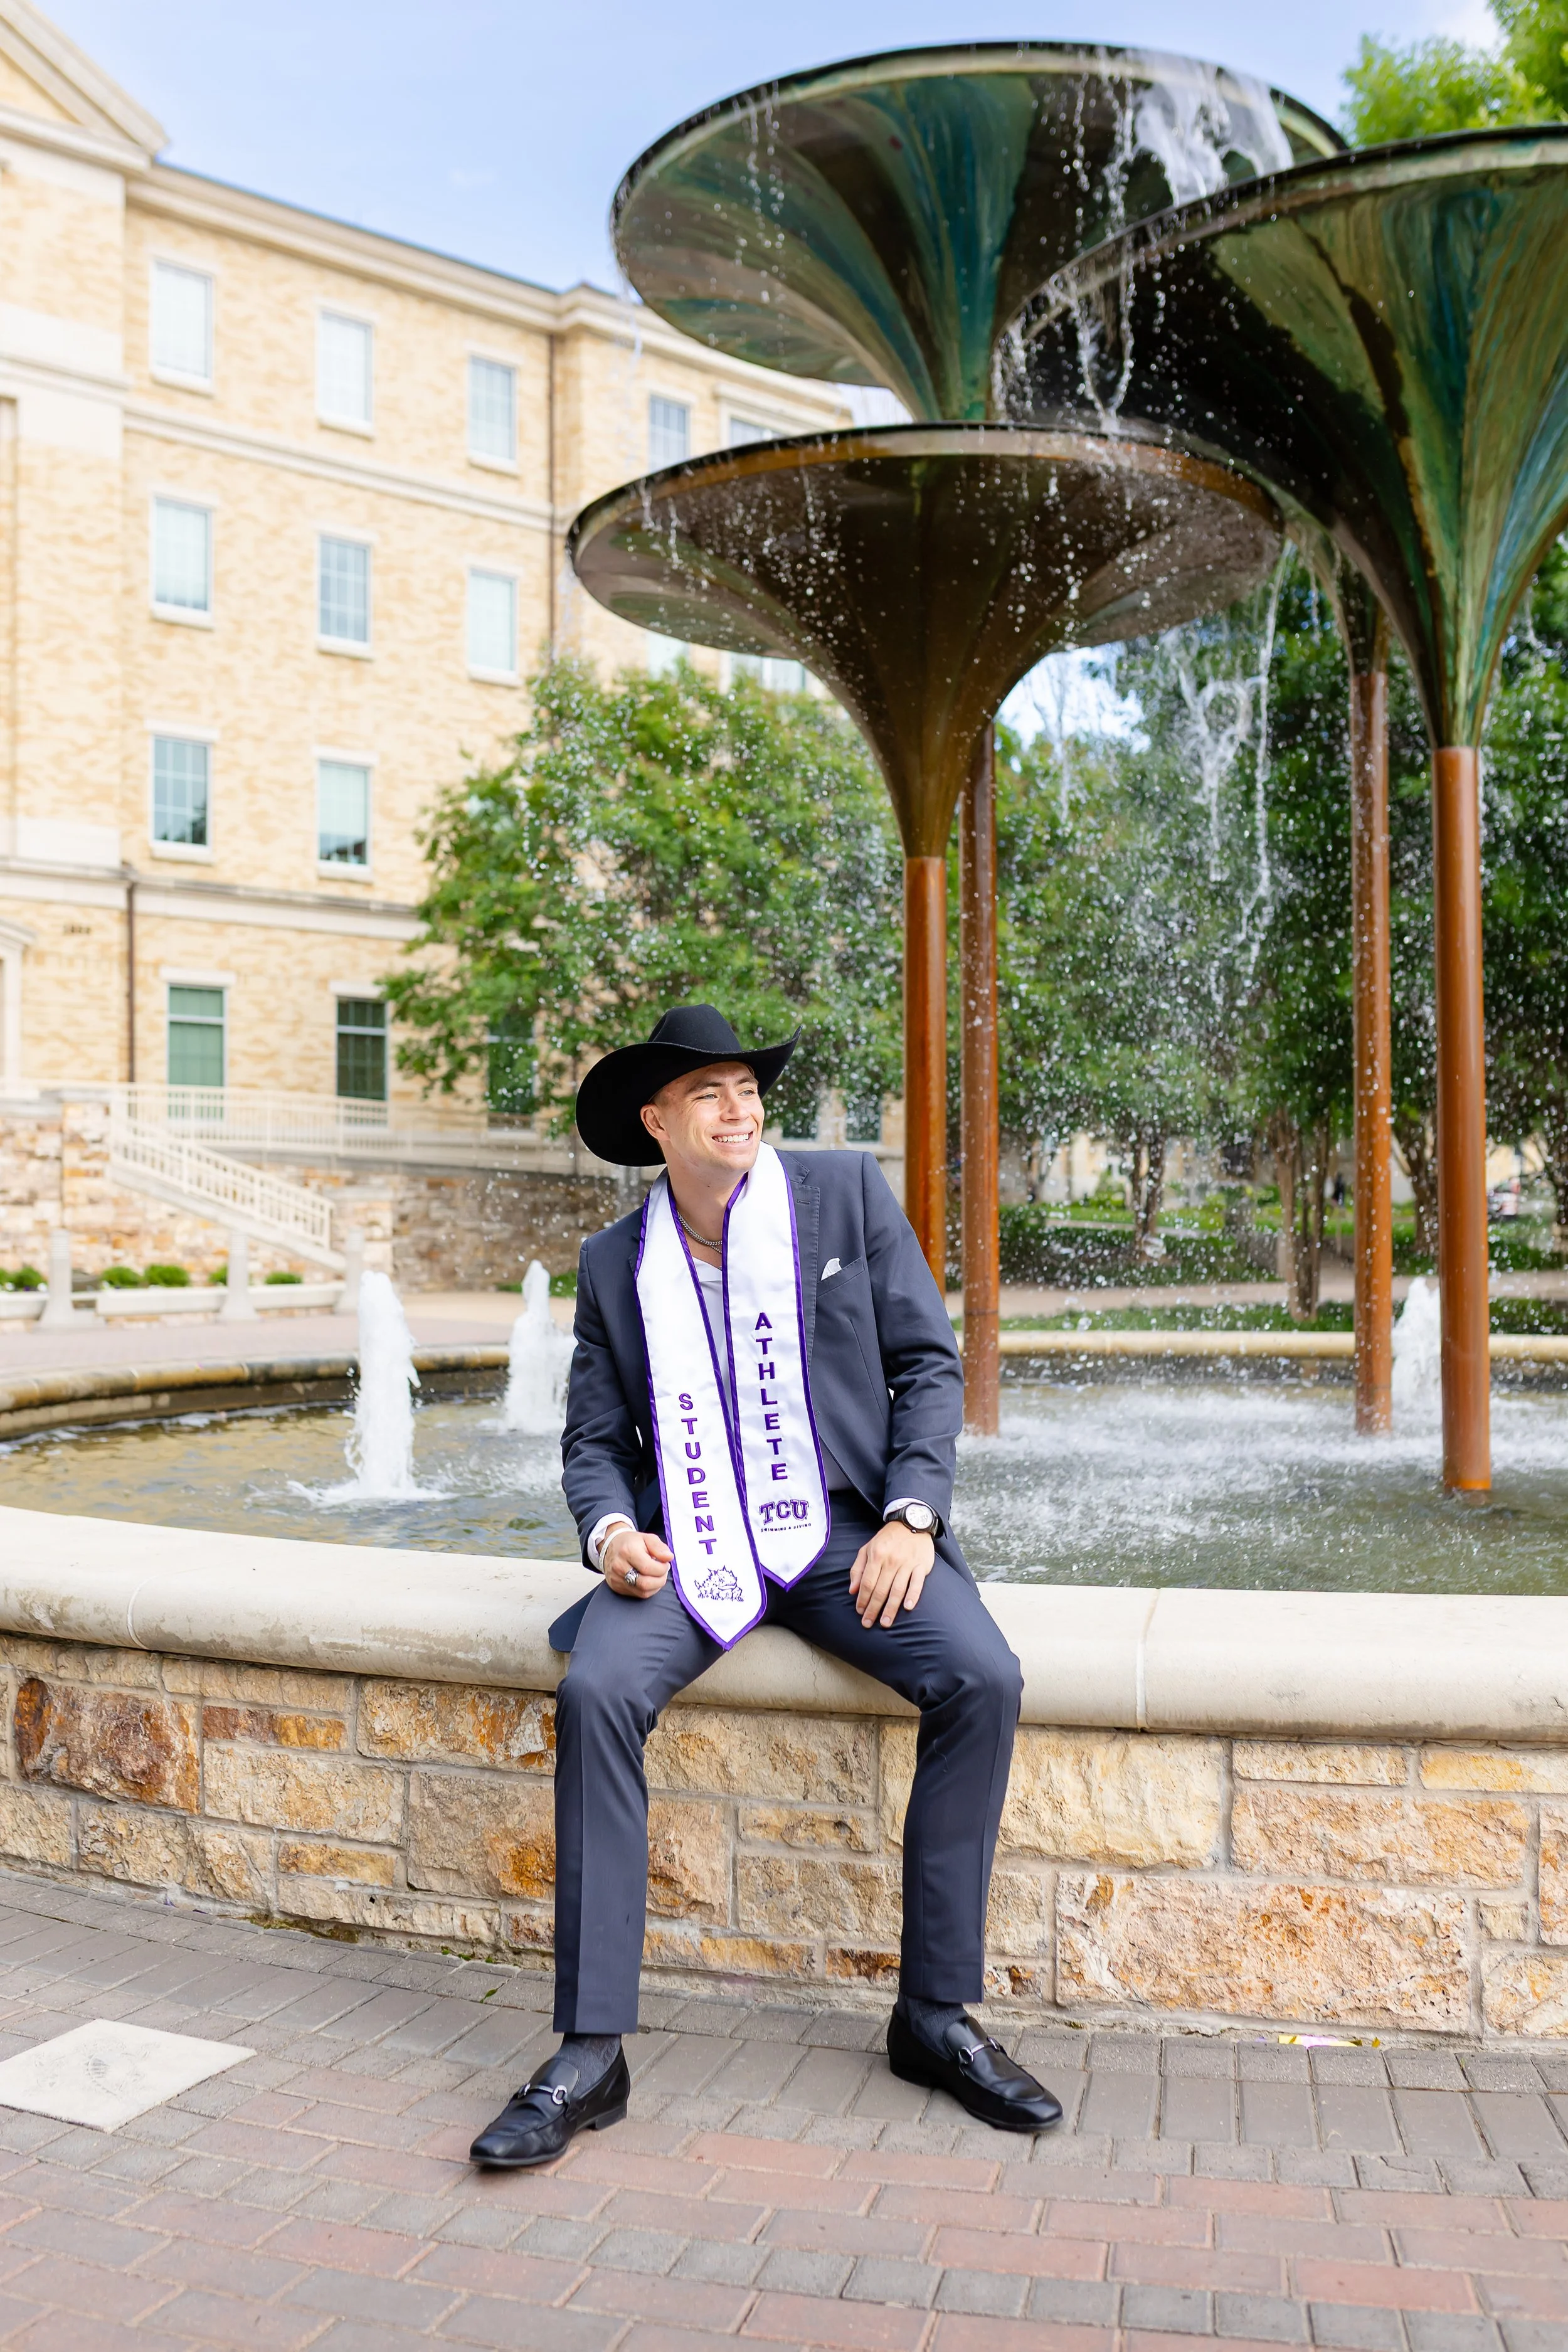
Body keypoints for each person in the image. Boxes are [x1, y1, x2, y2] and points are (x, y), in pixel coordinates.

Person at [470, 1005, 1061, 2168]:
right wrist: (609, 1536)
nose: (742, 1110)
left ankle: (934, 2016)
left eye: (748, 1089)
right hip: (693, 1543)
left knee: (984, 1675)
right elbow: (592, 1441)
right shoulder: (613, 1263)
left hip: (845, 1536)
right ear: (657, 1123)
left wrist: (912, 1515)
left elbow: (925, 1367)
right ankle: (592, 2050)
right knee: (597, 1693)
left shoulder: (839, 1198)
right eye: (710, 1095)